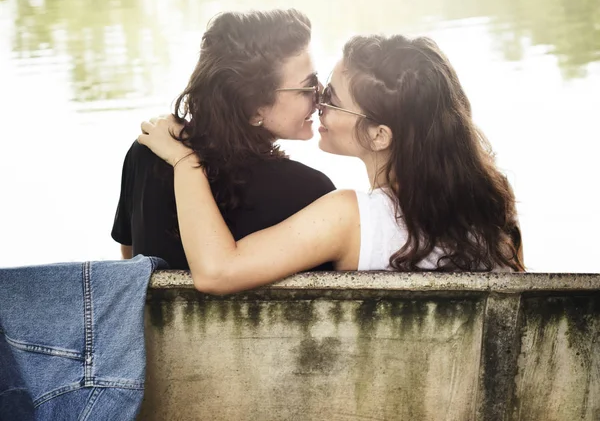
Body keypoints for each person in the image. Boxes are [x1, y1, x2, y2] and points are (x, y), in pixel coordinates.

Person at [138, 34, 525, 293]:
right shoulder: (493, 200)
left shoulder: (350, 218)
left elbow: (216, 271)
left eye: (332, 98)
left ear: (379, 135)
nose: (317, 102)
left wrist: (184, 158)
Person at [112, 9, 335, 269]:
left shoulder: (146, 153)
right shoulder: (313, 193)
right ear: (254, 109)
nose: (319, 95)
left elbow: (129, 264)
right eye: (308, 86)